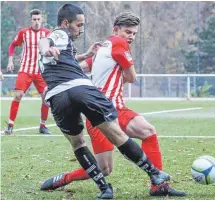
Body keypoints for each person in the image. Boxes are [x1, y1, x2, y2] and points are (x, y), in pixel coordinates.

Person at [40, 12, 186, 197]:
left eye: (133, 33)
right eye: (127, 32)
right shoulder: (118, 43)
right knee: (147, 132)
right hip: (110, 107)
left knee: (104, 168)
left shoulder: (103, 48)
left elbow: (80, 67)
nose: (131, 37)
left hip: (92, 107)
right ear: (115, 30)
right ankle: (158, 185)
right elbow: (132, 77)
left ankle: (65, 178)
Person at [5, 9, 51, 135]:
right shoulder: (24, 33)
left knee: (46, 99)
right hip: (25, 70)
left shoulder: (47, 33)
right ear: (30, 20)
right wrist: (10, 60)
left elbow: (53, 49)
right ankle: (10, 125)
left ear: (42, 20)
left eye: (38, 19)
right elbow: (13, 45)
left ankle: (42, 126)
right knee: (18, 95)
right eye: (34, 19)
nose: (36, 22)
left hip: (41, 71)